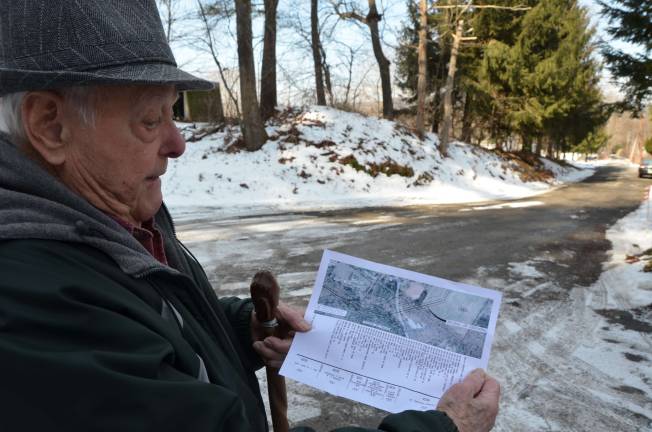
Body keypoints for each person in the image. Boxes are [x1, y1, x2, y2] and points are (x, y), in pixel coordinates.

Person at [0, 1, 500, 431]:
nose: (177, 144)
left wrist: (241, 330)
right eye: (150, 120)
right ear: (51, 125)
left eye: (173, 114)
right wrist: (441, 427)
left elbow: (148, 336)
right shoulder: (29, 302)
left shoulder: (116, 217)